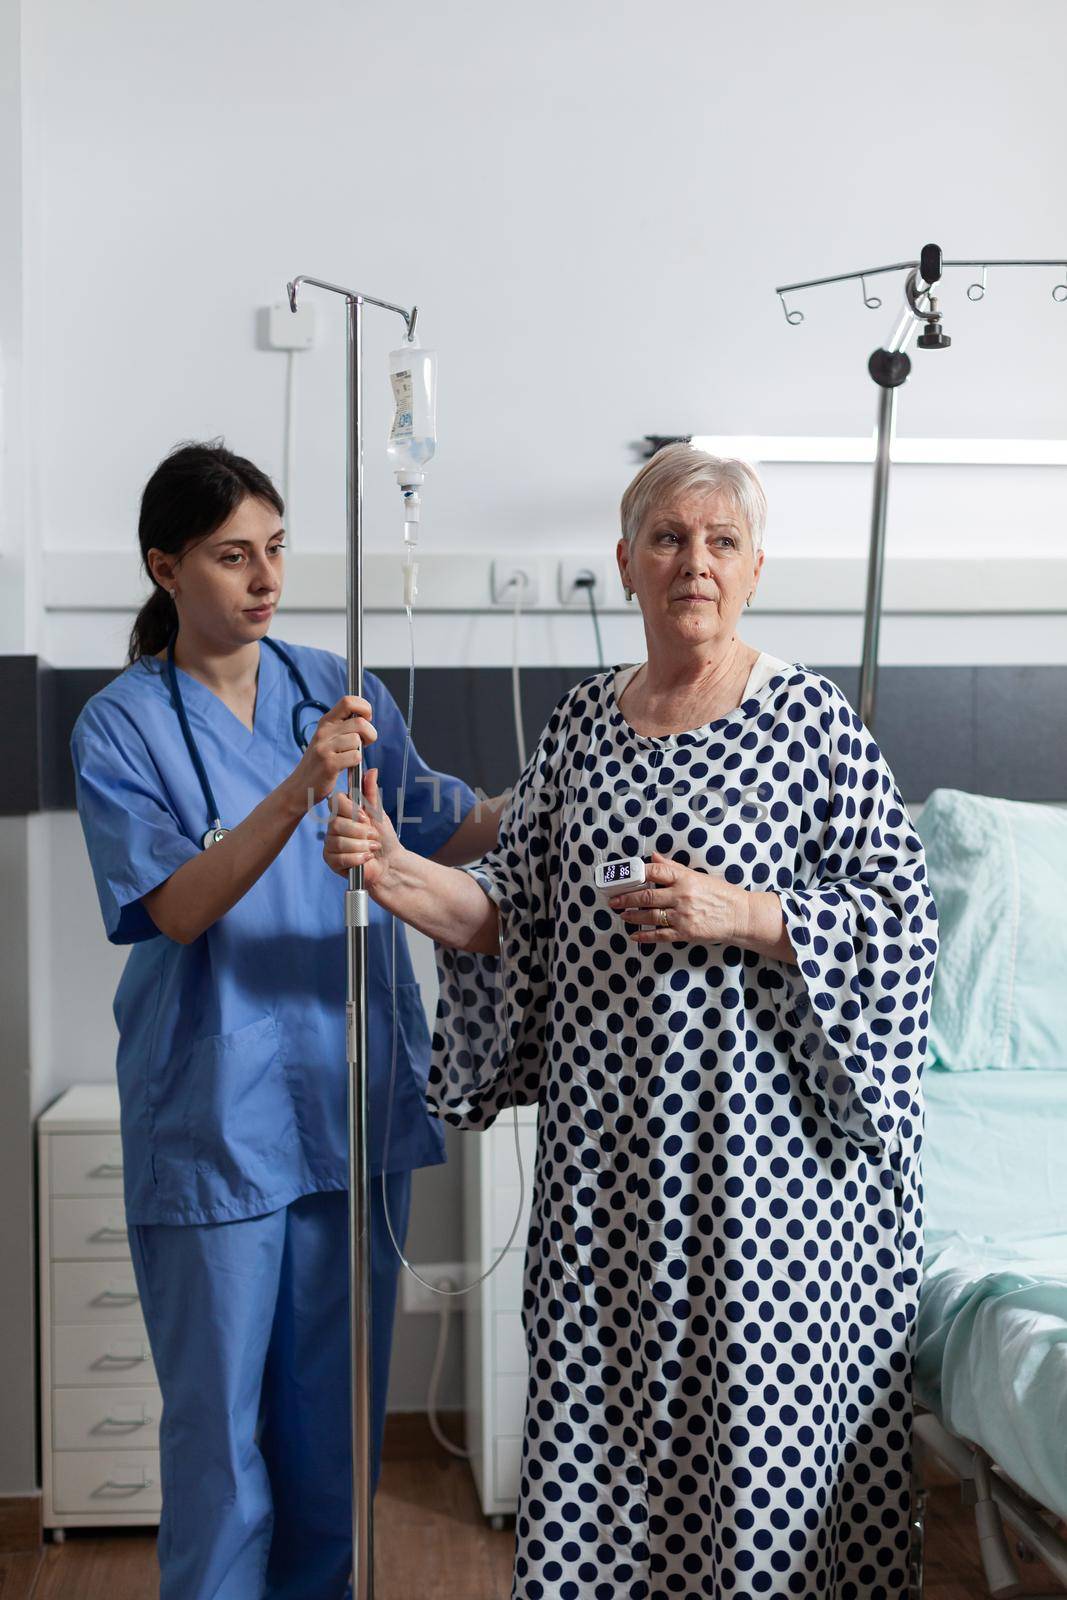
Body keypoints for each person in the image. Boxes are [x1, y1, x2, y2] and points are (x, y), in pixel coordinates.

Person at [325, 443, 940, 1600]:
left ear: (755, 567)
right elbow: (507, 905)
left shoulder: (811, 725)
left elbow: (903, 930)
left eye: (717, 542)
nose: (691, 563)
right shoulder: (579, 729)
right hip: (609, 1182)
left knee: (758, 1465)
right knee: (604, 1451)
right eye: (666, 539)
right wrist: (390, 866)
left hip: (773, 1197)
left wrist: (743, 912)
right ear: (624, 563)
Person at [70, 440, 500, 1600]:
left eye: (273, 551)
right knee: (221, 1446)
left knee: (331, 1446)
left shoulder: (334, 684)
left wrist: (584, 777)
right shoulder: (120, 726)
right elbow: (175, 904)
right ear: (165, 568)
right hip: (217, 1117)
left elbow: (441, 822)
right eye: (229, 557)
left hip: (346, 1101)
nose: (263, 580)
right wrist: (300, 787)